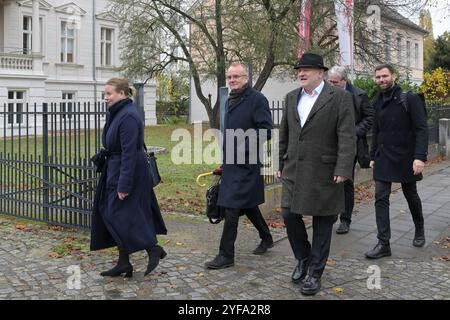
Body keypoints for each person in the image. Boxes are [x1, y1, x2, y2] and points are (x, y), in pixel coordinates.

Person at [277, 53, 356, 295]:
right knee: (289, 215)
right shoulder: (291, 98)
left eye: (307, 69)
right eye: (299, 69)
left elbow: (347, 136)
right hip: (294, 170)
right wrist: (279, 162)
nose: (301, 73)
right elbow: (285, 134)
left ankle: (315, 272)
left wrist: (343, 168)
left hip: (326, 171)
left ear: (320, 73)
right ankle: (303, 258)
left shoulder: (340, 98)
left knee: (323, 222)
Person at [90, 78, 168, 277]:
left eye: (109, 94)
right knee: (112, 213)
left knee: (119, 215)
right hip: (114, 169)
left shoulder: (129, 117)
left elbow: (129, 153)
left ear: (122, 93)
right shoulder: (118, 113)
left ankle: (152, 248)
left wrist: (124, 185)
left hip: (127, 172)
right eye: (105, 94)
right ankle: (124, 262)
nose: (106, 97)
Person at [204, 63, 274, 270]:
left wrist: (241, 152)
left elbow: (266, 131)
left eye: (236, 76)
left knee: (232, 207)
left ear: (246, 78)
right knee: (248, 205)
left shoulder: (257, 99)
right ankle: (267, 237)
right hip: (232, 164)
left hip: (247, 164)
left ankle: (226, 255)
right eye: (229, 77)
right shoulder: (229, 99)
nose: (232, 80)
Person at [365, 64, 428, 259]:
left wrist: (420, 157)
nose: (382, 80)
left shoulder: (409, 98)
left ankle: (419, 229)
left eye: (385, 76)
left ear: (393, 76)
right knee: (380, 198)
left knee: (411, 195)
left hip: (406, 157)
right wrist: (373, 156)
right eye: (378, 77)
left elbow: (421, 129)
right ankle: (383, 243)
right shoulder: (376, 100)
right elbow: (376, 131)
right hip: (384, 157)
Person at [328, 66, 374, 234]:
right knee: (329, 180)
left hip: (350, 145)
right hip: (329, 144)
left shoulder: (359, 95)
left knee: (345, 181)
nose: (331, 85)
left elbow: (370, 117)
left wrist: (353, 132)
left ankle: (345, 219)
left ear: (344, 81)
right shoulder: (324, 94)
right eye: (329, 81)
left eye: (335, 82)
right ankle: (330, 213)